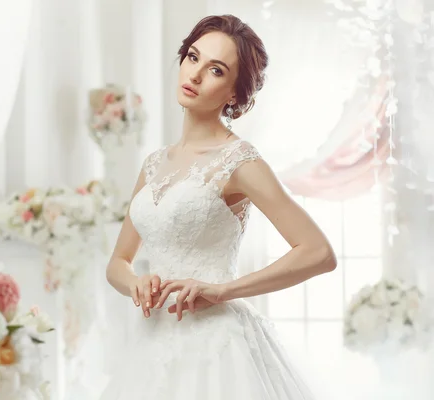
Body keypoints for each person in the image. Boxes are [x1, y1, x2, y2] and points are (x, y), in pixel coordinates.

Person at [101, 14, 336, 399]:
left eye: (215, 70)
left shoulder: (239, 161)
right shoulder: (154, 164)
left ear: (234, 93)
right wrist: (135, 283)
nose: (194, 75)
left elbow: (319, 252)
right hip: (152, 345)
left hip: (217, 350)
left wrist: (224, 290)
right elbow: (117, 262)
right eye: (192, 58)